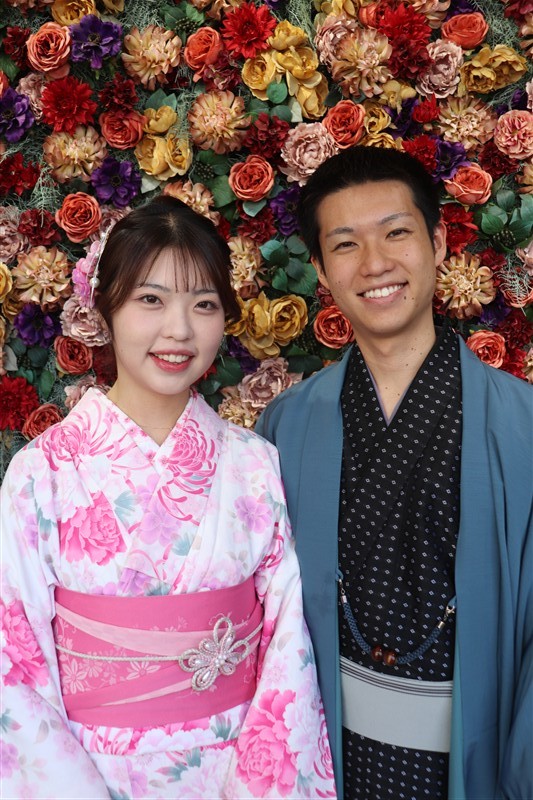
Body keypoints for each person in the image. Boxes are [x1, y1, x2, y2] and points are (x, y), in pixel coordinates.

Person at [0, 195, 336, 799]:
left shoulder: (255, 464)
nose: (179, 330)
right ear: (106, 307)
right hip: (89, 769)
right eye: (150, 300)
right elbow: (13, 668)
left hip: (234, 767)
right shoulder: (41, 473)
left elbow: (287, 643)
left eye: (203, 304)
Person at [256, 146, 532, 800]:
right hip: (326, 753)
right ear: (321, 270)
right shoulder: (285, 426)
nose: (375, 263)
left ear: (437, 243)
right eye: (345, 244)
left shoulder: (521, 426)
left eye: (396, 233)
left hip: (476, 753)